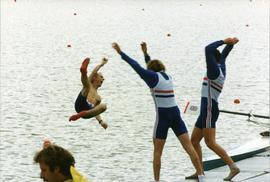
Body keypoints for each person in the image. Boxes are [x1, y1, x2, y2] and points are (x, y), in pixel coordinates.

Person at [112, 42, 205, 182]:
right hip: (176, 114)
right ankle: (201, 175)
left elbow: (135, 66)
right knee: (189, 147)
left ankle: (157, 180)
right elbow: (151, 66)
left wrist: (121, 53)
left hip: (163, 116)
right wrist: (145, 53)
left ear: (151, 71)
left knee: (157, 151)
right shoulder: (167, 76)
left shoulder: (152, 77)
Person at [186, 38, 240, 181]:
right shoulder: (221, 65)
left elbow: (208, 49)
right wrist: (231, 44)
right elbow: (224, 54)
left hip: (209, 109)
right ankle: (200, 172)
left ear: (211, 61)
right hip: (205, 110)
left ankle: (233, 167)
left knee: (210, 142)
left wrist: (224, 41)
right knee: (194, 141)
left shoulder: (214, 72)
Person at [69, 57, 108, 129]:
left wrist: (101, 122)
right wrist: (101, 64)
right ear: (95, 78)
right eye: (101, 77)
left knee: (104, 106)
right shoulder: (89, 83)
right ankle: (83, 71)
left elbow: (95, 111)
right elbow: (94, 72)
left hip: (86, 112)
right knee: (86, 86)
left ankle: (82, 113)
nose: (103, 79)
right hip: (80, 104)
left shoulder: (98, 98)